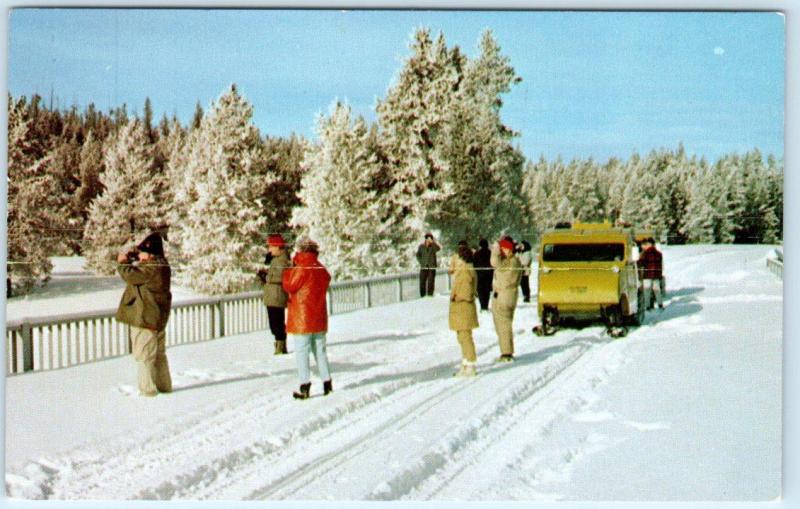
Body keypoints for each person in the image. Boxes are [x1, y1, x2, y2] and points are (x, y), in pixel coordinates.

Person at [115, 232, 172, 397]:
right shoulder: (162, 266)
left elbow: (131, 275)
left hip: (146, 319)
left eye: (142, 252)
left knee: (144, 356)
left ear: (151, 252)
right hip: (157, 319)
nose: (139, 255)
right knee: (159, 356)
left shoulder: (150, 268)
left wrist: (123, 263)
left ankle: (147, 392)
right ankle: (165, 388)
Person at [283, 237, 333, 400]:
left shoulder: (301, 267)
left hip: (302, 319)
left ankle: (305, 386)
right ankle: (327, 383)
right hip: (318, 317)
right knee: (320, 351)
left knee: (302, 353)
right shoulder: (321, 268)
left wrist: (289, 269)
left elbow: (290, 285)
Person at [257, 234, 291, 355]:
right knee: (274, 322)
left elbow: (281, 276)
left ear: (278, 247)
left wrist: (266, 277)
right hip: (273, 295)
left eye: (271, 246)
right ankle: (280, 344)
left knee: (276, 322)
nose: (269, 249)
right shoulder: (276, 259)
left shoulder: (282, 259)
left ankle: (280, 346)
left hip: (277, 295)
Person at [449, 244, 479, 377]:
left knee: (465, 337)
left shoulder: (466, 271)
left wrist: (456, 297)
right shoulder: (466, 270)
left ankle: (470, 364)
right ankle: (465, 362)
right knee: (462, 337)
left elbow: (466, 292)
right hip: (462, 309)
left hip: (463, 308)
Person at [491, 237, 522, 362]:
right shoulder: (515, 261)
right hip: (509, 296)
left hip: (504, 296)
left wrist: (495, 250)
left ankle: (506, 353)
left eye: (504, 248)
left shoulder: (511, 262)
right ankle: (506, 350)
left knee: (503, 324)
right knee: (503, 324)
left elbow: (494, 262)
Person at [638, 237, 664, 310]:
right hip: (656, 275)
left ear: (649, 244)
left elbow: (640, 263)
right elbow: (660, 266)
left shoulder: (645, 253)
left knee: (647, 291)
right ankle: (660, 304)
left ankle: (648, 306)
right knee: (657, 290)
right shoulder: (659, 254)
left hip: (647, 275)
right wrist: (660, 275)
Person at [416, 233, 440, 297]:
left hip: (431, 267)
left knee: (431, 282)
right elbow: (418, 255)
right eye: (427, 238)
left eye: (430, 238)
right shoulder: (421, 246)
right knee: (422, 282)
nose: (429, 240)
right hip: (424, 267)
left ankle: (430, 295)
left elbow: (438, 249)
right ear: (425, 239)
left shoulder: (433, 246)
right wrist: (421, 261)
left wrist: (433, 243)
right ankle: (422, 295)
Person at [473, 238, 493, 311]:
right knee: (487, 291)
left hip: (479, 275)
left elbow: (474, 264)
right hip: (488, 275)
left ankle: (482, 306)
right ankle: (486, 305)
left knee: (481, 291)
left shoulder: (477, 253)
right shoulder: (490, 253)